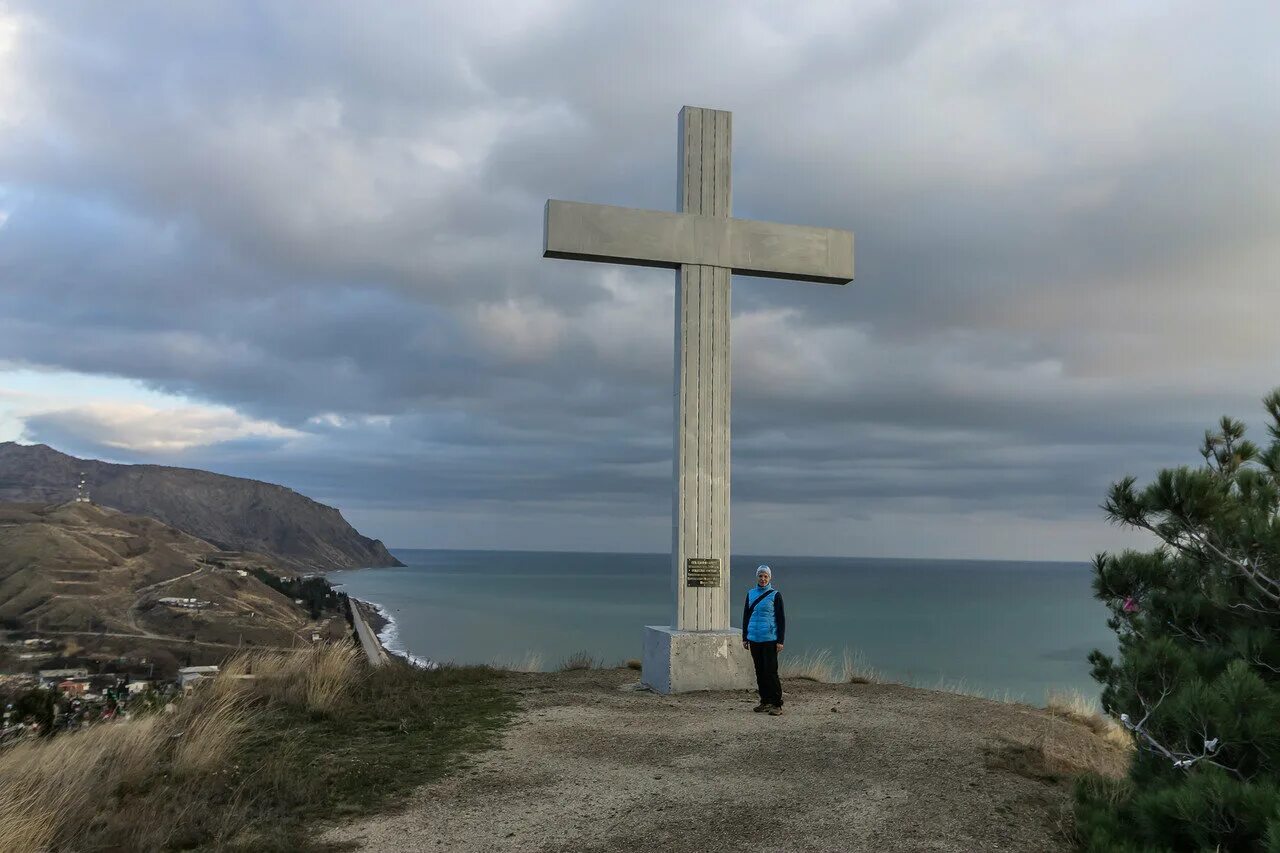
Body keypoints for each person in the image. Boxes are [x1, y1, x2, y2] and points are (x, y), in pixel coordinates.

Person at [742, 564, 786, 715]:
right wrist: (745, 638)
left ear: (770, 578)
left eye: (765, 576)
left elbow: (781, 619)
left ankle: (776, 704)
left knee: (771, 672)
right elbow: (746, 616)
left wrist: (780, 640)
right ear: (757, 577)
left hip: (770, 639)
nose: (762, 579)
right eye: (760, 576)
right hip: (754, 639)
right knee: (760, 671)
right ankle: (765, 701)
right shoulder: (751, 593)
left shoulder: (775, 595)